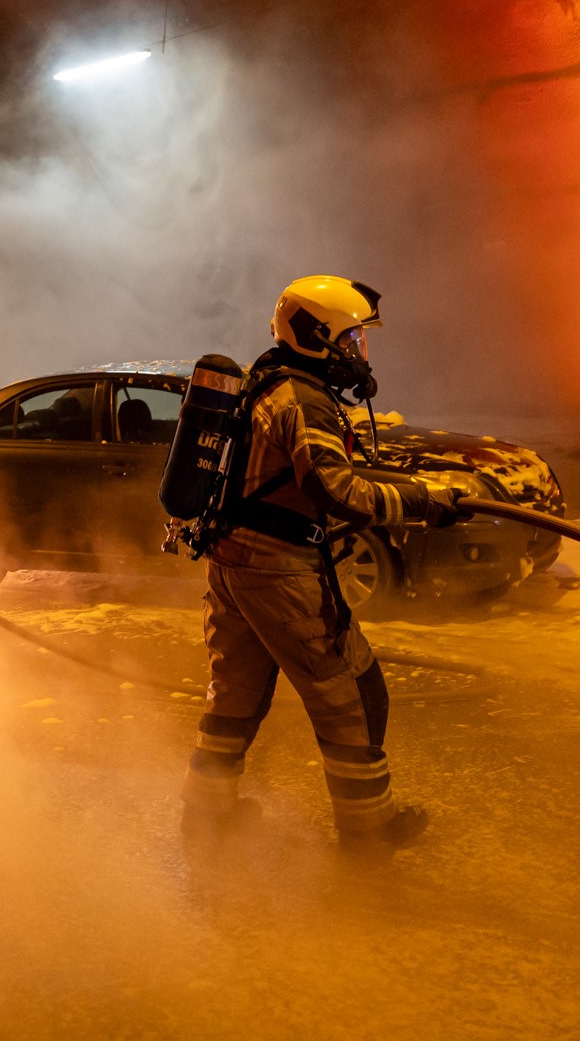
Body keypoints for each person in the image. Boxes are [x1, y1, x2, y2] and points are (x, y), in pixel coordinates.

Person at [181, 276, 462, 856]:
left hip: (232, 558)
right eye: (353, 341)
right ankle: (368, 834)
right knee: (354, 695)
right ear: (319, 338)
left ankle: (207, 817)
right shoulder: (305, 400)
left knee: (237, 693)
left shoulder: (269, 381)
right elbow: (335, 491)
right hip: (278, 570)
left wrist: (407, 485)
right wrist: (421, 503)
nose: (361, 357)